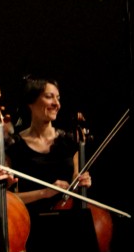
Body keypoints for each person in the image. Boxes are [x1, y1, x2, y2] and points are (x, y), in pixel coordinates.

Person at [6, 76, 91, 214]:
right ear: (30, 102)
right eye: (49, 97)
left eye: (58, 98)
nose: (56, 103)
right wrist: (44, 192)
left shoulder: (69, 141)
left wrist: (81, 182)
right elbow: (7, 199)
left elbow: (76, 180)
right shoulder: (14, 145)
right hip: (29, 224)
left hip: (69, 218)